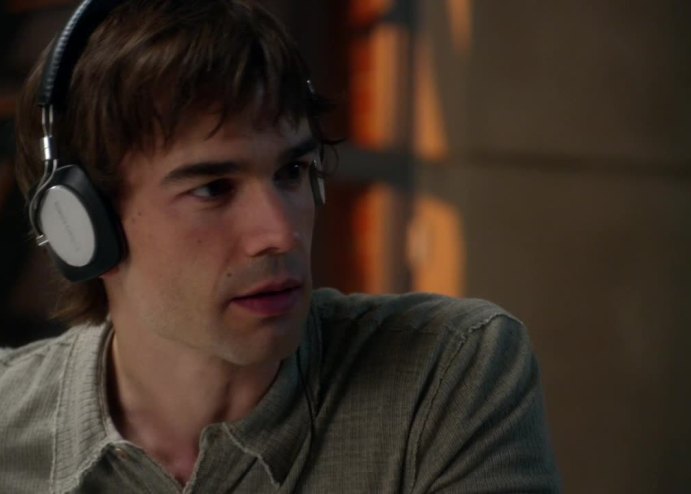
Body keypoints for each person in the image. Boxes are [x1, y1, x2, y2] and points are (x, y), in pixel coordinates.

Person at [0, 0, 560, 492]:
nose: (281, 233)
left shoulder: (446, 376)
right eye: (213, 189)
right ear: (84, 226)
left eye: (292, 172)